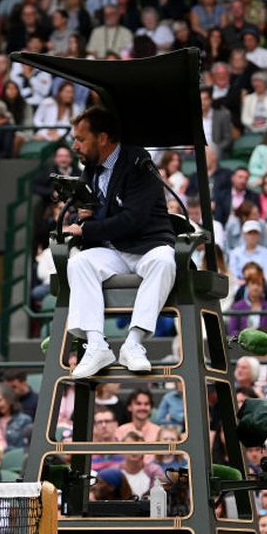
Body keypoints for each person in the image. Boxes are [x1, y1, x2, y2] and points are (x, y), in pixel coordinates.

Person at [61, 107, 177, 379]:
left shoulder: (138, 161)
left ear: (102, 138)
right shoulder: (90, 168)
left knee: (164, 261)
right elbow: (90, 215)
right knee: (78, 263)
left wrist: (86, 228)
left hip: (147, 246)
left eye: (80, 139)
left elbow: (133, 219)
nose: (75, 146)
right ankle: (97, 345)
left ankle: (133, 344)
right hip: (113, 249)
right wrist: (84, 218)